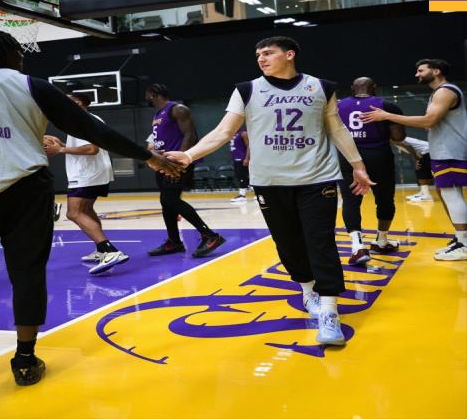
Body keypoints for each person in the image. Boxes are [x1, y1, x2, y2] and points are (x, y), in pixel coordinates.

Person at [0, 30, 180, 393]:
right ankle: (25, 361)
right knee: (27, 273)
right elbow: (90, 129)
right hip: (26, 189)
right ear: (7, 54)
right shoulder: (31, 84)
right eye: (19, 53)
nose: (22, 58)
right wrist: (148, 157)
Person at [165, 36, 374, 346]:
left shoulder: (321, 87)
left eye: (268, 53)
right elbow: (224, 131)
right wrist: (188, 155)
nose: (261, 58)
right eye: (258, 54)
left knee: (321, 242)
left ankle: (330, 312)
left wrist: (358, 165)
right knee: (288, 244)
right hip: (269, 181)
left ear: (289, 55)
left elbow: (337, 129)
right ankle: (308, 291)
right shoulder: (247, 89)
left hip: (317, 178)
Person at [360, 59, 466, 261]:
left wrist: (387, 116)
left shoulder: (445, 91)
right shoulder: (440, 92)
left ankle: (465, 244)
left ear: (436, 71)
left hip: (450, 150)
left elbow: (429, 120)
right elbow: (432, 121)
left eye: (421, 70)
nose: (417, 74)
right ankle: (460, 238)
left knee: (451, 194)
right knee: (449, 194)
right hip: (444, 150)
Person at [44, 93, 129, 275]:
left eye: (67, 100)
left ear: (78, 102)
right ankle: (101, 250)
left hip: (86, 173)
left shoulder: (79, 120)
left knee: (73, 213)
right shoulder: (91, 118)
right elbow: (87, 145)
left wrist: (61, 149)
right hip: (97, 171)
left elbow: (91, 149)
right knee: (87, 210)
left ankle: (109, 251)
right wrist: (63, 143)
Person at [145, 84, 226, 258]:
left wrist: (179, 162)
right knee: (166, 201)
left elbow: (191, 136)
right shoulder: (157, 114)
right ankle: (174, 241)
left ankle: (210, 235)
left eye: (147, 94)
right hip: (164, 163)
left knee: (170, 199)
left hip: (177, 163)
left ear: (152, 94)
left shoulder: (177, 109)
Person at [337, 77, 405, 265]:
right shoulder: (387, 106)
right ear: (374, 88)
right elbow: (398, 137)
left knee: (350, 201)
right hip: (379, 156)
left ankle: (357, 247)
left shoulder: (338, 106)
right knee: (384, 198)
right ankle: (381, 241)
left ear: (353, 88)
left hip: (348, 157)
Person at [392, 137, 434, 202]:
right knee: (420, 170)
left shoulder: (393, 138)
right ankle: (423, 193)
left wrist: (416, 158)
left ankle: (427, 195)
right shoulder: (395, 138)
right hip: (426, 151)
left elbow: (408, 147)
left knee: (421, 171)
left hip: (427, 151)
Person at [229, 127, 250, 202]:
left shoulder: (243, 133)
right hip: (235, 158)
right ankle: (255, 192)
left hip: (242, 158)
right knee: (239, 176)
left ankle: (242, 195)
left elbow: (249, 146)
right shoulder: (232, 133)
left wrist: (247, 158)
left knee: (242, 177)